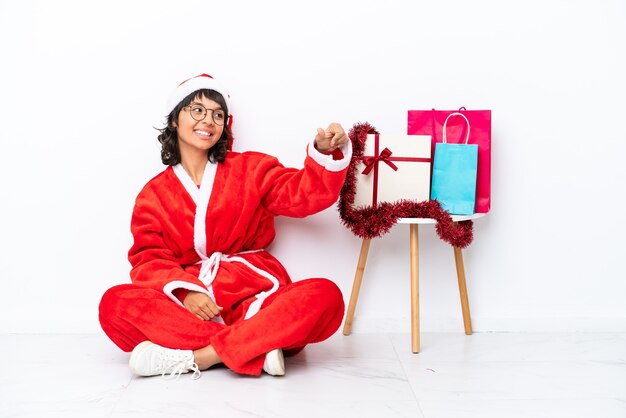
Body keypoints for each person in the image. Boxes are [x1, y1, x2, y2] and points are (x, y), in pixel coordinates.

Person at [98, 74, 352, 378]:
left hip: (256, 294)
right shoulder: (153, 195)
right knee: (114, 304)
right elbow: (148, 259)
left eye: (218, 114)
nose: (209, 120)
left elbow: (303, 195)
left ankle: (202, 357)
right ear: (175, 120)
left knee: (326, 296)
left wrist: (322, 153)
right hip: (191, 307)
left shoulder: (252, 169)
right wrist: (187, 294)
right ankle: (258, 346)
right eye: (197, 110)